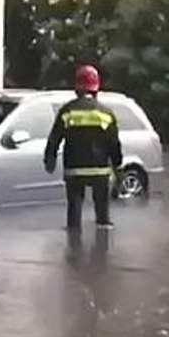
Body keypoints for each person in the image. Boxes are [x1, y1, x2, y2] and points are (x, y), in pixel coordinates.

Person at [44, 64, 123, 231]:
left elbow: (54, 138)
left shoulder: (67, 111)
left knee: (74, 213)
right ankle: (103, 250)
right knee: (103, 217)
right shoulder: (106, 113)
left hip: (74, 170)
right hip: (100, 170)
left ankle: (73, 246)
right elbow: (114, 144)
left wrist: (49, 160)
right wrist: (118, 166)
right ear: (96, 88)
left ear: (76, 88)